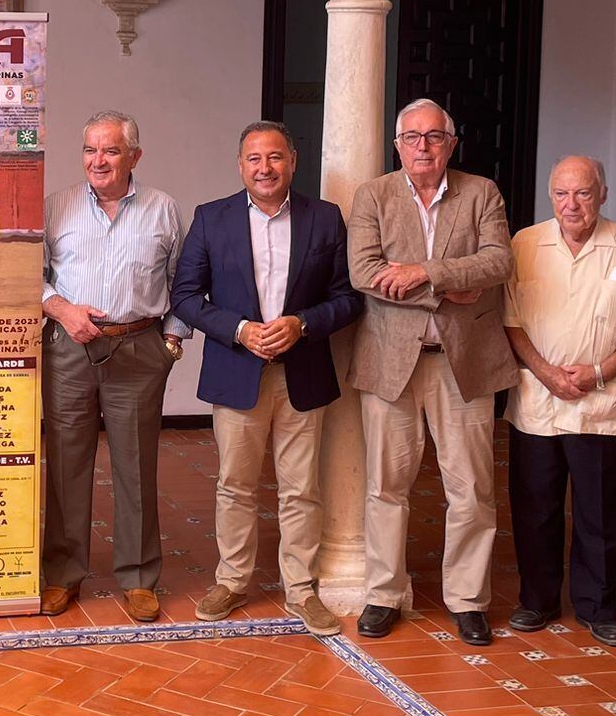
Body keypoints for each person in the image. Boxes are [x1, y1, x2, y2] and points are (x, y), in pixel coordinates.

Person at [171, 121, 363, 633]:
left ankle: (301, 590)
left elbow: (348, 298)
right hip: (237, 373)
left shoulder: (325, 219)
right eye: (254, 159)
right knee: (235, 485)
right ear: (240, 165)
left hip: (301, 372)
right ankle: (232, 581)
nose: (265, 168)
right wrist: (237, 330)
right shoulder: (211, 219)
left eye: (275, 157)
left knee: (301, 489)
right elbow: (185, 296)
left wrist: (302, 324)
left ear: (293, 161)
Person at [347, 98, 516, 647]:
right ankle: (384, 594)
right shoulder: (373, 195)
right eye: (412, 137)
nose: (422, 146)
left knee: (471, 488)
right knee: (385, 486)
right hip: (390, 363)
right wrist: (450, 288)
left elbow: (498, 262)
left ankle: (467, 599)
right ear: (397, 145)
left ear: (451, 143)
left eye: (434, 136)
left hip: (461, 364)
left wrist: (424, 273)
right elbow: (364, 272)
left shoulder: (481, 192)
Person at [502, 156, 616, 648]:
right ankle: (537, 600)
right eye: (561, 194)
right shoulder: (525, 244)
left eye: (583, 194)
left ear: (603, 194)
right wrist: (546, 371)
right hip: (537, 398)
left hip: (605, 400)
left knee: (601, 512)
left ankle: (598, 606)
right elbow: (510, 320)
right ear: (550, 196)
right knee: (535, 509)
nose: (571, 205)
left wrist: (599, 371)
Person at [39, 111, 190, 623]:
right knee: (66, 462)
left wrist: (171, 338)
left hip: (138, 349)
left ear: (134, 157)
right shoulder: (55, 207)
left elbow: (184, 281)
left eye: (110, 151)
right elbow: (32, 278)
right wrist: (62, 309)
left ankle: (140, 577)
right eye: (90, 151)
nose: (97, 161)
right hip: (69, 350)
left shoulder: (163, 209)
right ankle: (62, 574)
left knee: (137, 465)